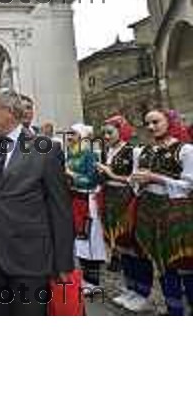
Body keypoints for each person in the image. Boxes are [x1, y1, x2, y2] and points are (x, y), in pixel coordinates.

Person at [0, 88, 74, 316]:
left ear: (9, 111)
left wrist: (64, 262)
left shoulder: (46, 148)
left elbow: (60, 209)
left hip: (30, 257)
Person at [131, 109, 193, 315]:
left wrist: (156, 178)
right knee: (162, 264)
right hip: (150, 212)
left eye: (155, 122)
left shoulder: (185, 150)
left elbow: (188, 185)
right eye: (147, 123)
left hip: (177, 213)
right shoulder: (145, 150)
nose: (150, 127)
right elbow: (136, 181)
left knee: (183, 263)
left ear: (170, 122)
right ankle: (174, 310)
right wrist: (138, 182)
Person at [97, 115, 147, 310]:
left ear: (121, 130)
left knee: (134, 246)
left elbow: (136, 179)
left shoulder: (133, 150)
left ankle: (142, 292)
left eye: (110, 132)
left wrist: (110, 174)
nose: (106, 136)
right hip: (110, 199)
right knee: (120, 246)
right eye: (104, 133)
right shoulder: (108, 151)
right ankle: (131, 288)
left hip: (126, 200)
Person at [66, 123, 106, 287]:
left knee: (90, 240)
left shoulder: (89, 154)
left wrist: (71, 175)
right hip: (75, 199)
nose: (69, 137)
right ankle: (85, 279)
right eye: (68, 134)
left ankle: (93, 282)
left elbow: (92, 179)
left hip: (87, 201)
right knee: (80, 241)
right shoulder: (71, 153)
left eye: (73, 134)